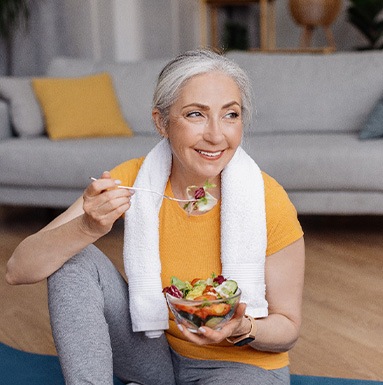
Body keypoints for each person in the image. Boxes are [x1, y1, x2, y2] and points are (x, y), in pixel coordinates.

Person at [6, 49, 305, 385]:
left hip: (240, 367)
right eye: (196, 114)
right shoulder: (134, 179)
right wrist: (87, 227)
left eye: (230, 115)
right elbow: (18, 269)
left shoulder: (268, 199)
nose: (216, 135)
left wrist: (241, 327)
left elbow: (288, 328)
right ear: (161, 122)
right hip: (155, 354)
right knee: (75, 257)